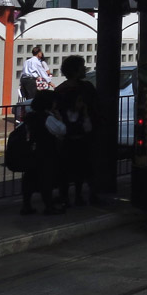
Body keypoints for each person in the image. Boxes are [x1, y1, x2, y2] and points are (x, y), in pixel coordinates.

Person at [55, 55, 99, 206]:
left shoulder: (60, 89)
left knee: (65, 169)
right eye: (82, 67)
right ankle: (80, 197)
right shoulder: (86, 88)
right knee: (84, 167)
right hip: (83, 134)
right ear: (76, 70)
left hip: (66, 135)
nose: (85, 69)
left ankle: (64, 197)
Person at [21, 90, 66, 215]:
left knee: (29, 179)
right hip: (46, 152)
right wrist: (59, 118)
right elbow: (61, 130)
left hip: (31, 151)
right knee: (47, 180)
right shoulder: (48, 118)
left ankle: (26, 205)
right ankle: (49, 206)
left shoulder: (30, 116)